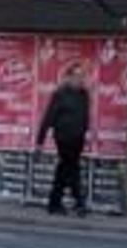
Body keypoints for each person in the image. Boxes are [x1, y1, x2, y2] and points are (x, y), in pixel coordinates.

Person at [37, 63, 91, 215]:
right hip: (63, 137)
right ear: (68, 77)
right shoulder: (60, 94)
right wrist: (40, 140)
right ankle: (79, 203)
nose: (79, 79)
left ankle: (54, 203)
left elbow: (85, 115)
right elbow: (49, 116)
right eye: (76, 76)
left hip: (78, 138)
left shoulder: (84, 95)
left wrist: (86, 131)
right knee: (72, 168)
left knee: (64, 169)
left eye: (82, 76)